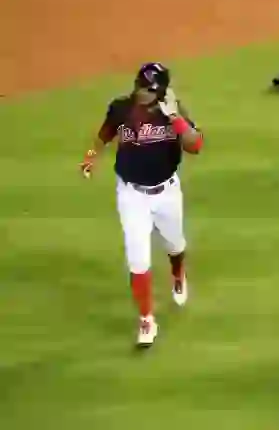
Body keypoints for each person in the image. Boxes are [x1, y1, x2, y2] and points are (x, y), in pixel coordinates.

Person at [78, 63, 204, 348]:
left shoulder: (173, 111)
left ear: (160, 91)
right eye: (140, 87)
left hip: (167, 193)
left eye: (149, 89)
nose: (143, 94)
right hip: (131, 195)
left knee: (175, 244)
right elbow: (103, 136)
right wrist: (89, 156)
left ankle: (178, 274)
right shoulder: (121, 108)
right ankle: (147, 319)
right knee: (138, 260)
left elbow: (196, 146)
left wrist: (175, 117)